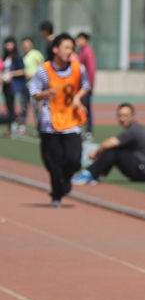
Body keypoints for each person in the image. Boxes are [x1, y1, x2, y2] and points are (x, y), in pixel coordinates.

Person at [29, 33, 90, 208]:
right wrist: (44, 94)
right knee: (53, 163)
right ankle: (56, 195)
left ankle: (67, 179)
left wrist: (77, 98)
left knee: (74, 159)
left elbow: (86, 85)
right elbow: (34, 92)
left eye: (72, 48)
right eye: (66, 47)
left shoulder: (78, 68)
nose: (69, 51)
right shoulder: (44, 70)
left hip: (71, 121)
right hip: (50, 122)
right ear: (55, 49)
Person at [71, 103, 145, 185]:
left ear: (133, 116)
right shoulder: (135, 128)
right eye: (120, 116)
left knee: (114, 151)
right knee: (115, 150)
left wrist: (95, 153)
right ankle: (95, 174)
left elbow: (107, 144)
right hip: (144, 170)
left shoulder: (134, 130)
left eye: (125, 116)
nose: (122, 119)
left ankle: (89, 174)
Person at [2, 37, 27, 136]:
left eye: (10, 44)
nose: (8, 46)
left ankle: (15, 123)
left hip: (14, 85)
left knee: (14, 106)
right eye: (6, 44)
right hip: (6, 84)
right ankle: (11, 125)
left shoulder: (17, 57)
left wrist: (11, 74)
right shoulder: (5, 57)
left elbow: (22, 71)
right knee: (8, 106)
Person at [20, 37, 45, 135]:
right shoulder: (23, 56)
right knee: (23, 106)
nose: (25, 46)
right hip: (24, 85)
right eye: (24, 44)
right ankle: (22, 126)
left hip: (34, 85)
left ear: (31, 45)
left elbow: (42, 67)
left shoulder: (36, 54)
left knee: (36, 107)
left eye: (27, 44)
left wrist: (32, 74)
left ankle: (39, 127)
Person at [75, 32, 97, 140]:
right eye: (78, 39)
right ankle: (86, 130)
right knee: (85, 107)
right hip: (82, 85)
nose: (78, 41)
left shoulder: (87, 52)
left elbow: (91, 70)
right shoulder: (81, 52)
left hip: (85, 86)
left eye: (81, 39)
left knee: (84, 108)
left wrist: (90, 85)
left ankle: (87, 131)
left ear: (86, 41)